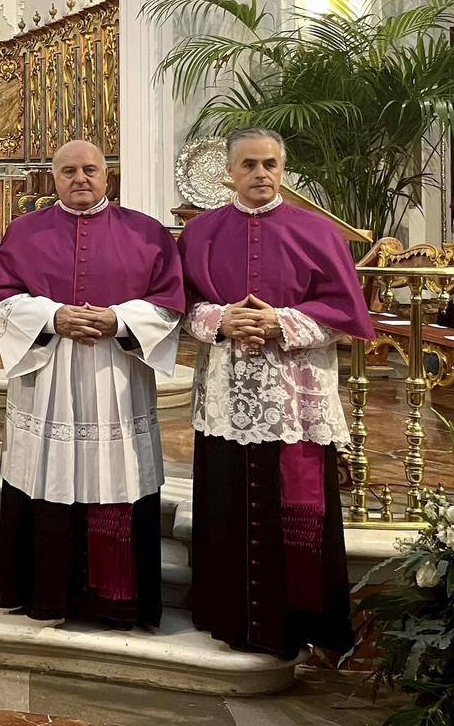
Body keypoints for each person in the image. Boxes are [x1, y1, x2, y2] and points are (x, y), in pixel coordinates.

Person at [179, 126, 373, 657]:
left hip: (294, 396)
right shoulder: (200, 233)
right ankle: (227, 614)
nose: (260, 174)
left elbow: (346, 314)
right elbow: (181, 305)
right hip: (226, 393)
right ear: (229, 172)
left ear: (283, 170)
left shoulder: (318, 232)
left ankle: (300, 621)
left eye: (269, 164)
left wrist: (279, 323)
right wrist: (222, 319)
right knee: (227, 503)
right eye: (248, 165)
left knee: (296, 503)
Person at [0, 140, 183, 629]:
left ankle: (114, 599)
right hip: (48, 378)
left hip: (115, 379)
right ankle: (47, 595)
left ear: (106, 176)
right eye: (69, 171)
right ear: (52, 178)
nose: (80, 179)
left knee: (113, 476)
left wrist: (117, 320)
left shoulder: (147, 232)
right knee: (46, 475)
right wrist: (53, 316)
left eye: (90, 170)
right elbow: (2, 297)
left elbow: (168, 302)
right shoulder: (24, 231)